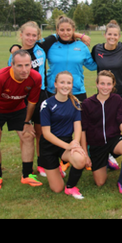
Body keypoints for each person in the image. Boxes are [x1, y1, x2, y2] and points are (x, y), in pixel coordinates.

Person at [0, 49, 43, 190]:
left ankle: (27, 175)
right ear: (12, 65)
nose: (24, 70)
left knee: (28, 136)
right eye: (19, 66)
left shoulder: (35, 78)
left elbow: (32, 102)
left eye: (27, 65)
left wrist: (27, 122)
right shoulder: (0, 77)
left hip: (17, 107)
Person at [80, 70, 122, 194]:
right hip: (96, 145)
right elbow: (83, 130)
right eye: (102, 83)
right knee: (100, 182)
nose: (105, 87)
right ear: (97, 84)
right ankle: (106, 160)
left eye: (109, 84)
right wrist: (85, 153)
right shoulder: (87, 103)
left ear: (113, 85)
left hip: (113, 139)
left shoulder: (117, 99)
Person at [40, 71, 88, 200]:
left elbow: (78, 126)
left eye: (68, 83)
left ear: (72, 85)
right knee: (57, 189)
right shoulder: (47, 104)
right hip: (48, 147)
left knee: (80, 159)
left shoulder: (75, 103)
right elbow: (46, 134)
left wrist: (75, 143)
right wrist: (68, 146)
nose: (65, 86)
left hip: (66, 144)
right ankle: (57, 169)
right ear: (55, 84)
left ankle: (70, 187)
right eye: (62, 82)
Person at [8, 21, 48, 176]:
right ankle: (27, 167)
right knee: (26, 134)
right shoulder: (15, 55)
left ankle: (42, 164)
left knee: (40, 132)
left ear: (38, 36)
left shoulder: (41, 48)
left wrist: (81, 36)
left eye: (34, 35)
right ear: (21, 35)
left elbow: (59, 35)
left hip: (40, 95)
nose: (31, 38)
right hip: (22, 97)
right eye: (27, 35)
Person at [40, 15, 96, 102]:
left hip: (77, 91)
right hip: (54, 91)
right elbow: (34, 46)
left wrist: (102, 54)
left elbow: (92, 66)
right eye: (62, 30)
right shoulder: (50, 45)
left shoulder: (82, 46)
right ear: (57, 31)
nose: (65, 33)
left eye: (68, 30)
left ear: (73, 30)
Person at [91, 20, 122, 102]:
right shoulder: (97, 49)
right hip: (103, 92)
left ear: (119, 36)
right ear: (105, 35)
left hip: (121, 92)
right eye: (109, 34)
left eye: (115, 35)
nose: (112, 37)